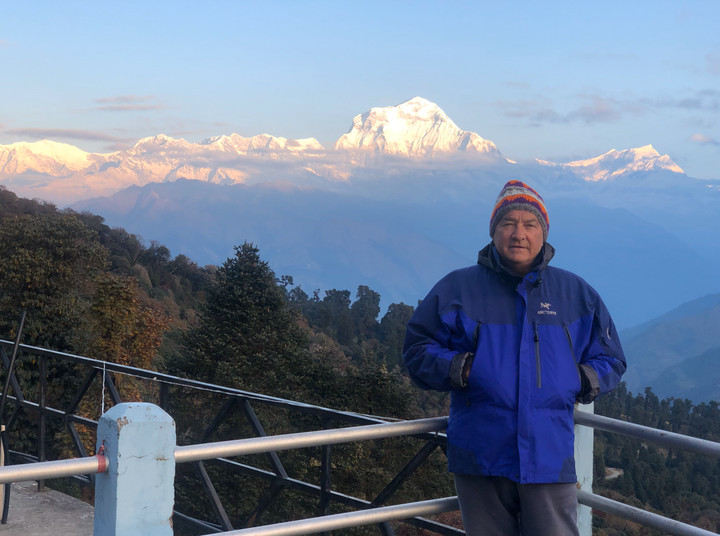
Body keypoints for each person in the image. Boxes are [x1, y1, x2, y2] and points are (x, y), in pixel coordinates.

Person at [403, 180, 626, 536]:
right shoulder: (457, 290)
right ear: (493, 232)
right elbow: (416, 349)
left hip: (549, 457)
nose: (518, 233)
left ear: (544, 233)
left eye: (529, 224)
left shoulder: (576, 295)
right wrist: (460, 367)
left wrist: (578, 379)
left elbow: (611, 359)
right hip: (481, 456)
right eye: (508, 223)